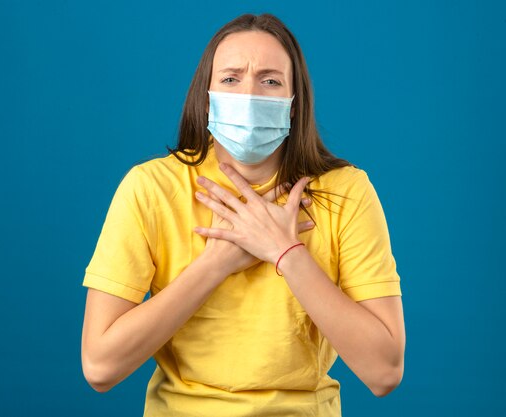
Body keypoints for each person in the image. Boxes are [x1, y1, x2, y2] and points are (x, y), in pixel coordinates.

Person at [80, 13, 405, 417]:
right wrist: (217, 263)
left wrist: (286, 252)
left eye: (270, 80)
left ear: (293, 104)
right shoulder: (151, 188)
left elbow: (385, 370)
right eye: (231, 79)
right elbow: (99, 366)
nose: (249, 94)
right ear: (207, 98)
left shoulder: (346, 191)